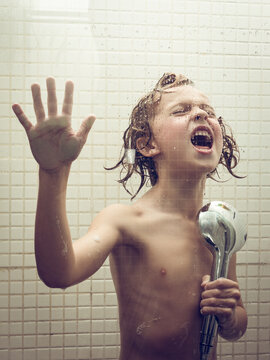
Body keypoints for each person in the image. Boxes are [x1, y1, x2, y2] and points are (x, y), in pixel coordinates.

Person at [12, 73, 248, 360]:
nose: (201, 113)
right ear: (147, 144)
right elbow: (58, 273)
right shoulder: (125, 221)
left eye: (208, 111)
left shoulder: (219, 225)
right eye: (181, 110)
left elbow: (236, 326)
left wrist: (229, 315)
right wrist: (53, 173)